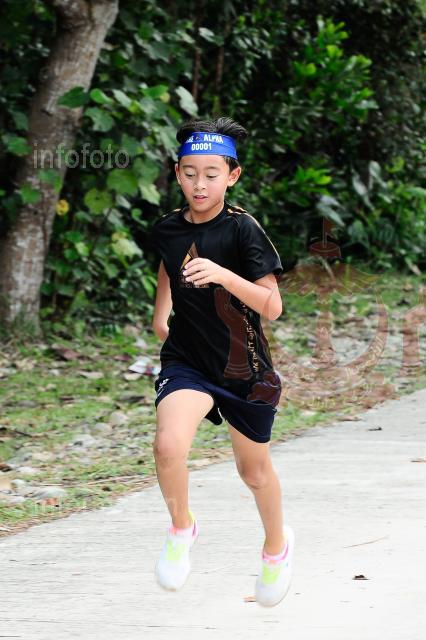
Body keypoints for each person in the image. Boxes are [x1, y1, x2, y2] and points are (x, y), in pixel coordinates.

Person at [150, 116, 295, 607]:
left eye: (211, 174)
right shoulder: (168, 227)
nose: (200, 184)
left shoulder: (242, 230)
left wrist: (222, 275)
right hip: (187, 360)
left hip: (243, 368)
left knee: (253, 472)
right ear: (177, 173)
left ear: (232, 175)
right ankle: (181, 527)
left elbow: (272, 306)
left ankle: (276, 548)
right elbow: (169, 264)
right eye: (190, 173)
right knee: (168, 445)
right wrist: (161, 316)